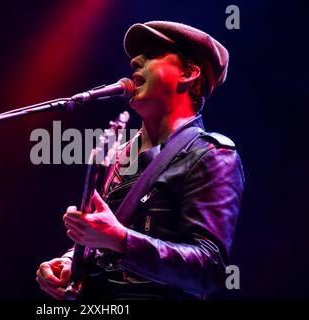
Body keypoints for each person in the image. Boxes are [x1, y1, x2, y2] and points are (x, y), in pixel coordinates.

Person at [36, 21, 245, 300]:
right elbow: (109, 240)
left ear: (188, 72)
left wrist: (120, 240)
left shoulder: (212, 155)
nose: (135, 61)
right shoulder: (119, 155)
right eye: (137, 57)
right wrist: (71, 261)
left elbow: (210, 269)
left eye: (153, 54)